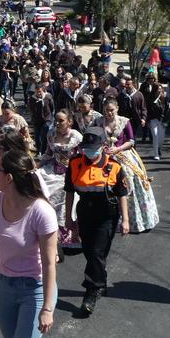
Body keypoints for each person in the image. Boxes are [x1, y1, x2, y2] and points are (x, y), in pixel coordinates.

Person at [0, 151, 58, 338]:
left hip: (33, 288)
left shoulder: (41, 212)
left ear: (9, 177)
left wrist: (47, 308)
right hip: (3, 285)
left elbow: (49, 264)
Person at [63, 127, 129, 316]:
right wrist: (68, 218)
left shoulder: (114, 166)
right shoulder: (75, 163)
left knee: (97, 252)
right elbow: (69, 192)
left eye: (93, 148)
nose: (89, 152)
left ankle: (92, 290)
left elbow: (122, 194)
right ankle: (101, 279)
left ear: (103, 146)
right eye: (86, 148)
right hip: (85, 212)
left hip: (106, 215)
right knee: (90, 251)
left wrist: (126, 220)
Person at [96, 99, 159, 233]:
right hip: (104, 156)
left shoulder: (124, 121)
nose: (109, 113)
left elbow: (131, 141)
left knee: (129, 179)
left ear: (117, 108)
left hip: (123, 155)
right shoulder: (99, 122)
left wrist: (117, 149)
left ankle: (133, 220)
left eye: (111, 110)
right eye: (106, 110)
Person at [37, 110, 83, 250]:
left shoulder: (76, 137)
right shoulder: (51, 134)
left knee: (65, 193)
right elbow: (48, 154)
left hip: (72, 171)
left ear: (69, 121)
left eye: (61, 120)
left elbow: (83, 157)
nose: (57, 123)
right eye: (56, 120)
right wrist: (36, 165)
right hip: (53, 169)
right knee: (38, 184)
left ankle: (66, 234)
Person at [140, 73, 167, 160]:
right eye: (149, 78)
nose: (159, 90)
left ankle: (158, 148)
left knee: (161, 137)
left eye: (160, 89)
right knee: (155, 135)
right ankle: (156, 153)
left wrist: (165, 119)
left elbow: (167, 109)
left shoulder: (164, 98)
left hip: (161, 119)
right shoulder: (151, 96)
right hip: (152, 118)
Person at [28, 82, 55, 155]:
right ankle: (38, 150)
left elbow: (52, 107)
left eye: (40, 91)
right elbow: (31, 109)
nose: (38, 93)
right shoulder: (32, 99)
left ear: (43, 90)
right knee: (37, 136)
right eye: (37, 92)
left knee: (44, 135)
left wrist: (51, 117)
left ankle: (43, 152)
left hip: (47, 119)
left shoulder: (48, 97)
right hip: (37, 120)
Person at [117, 76, 146, 142]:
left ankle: (133, 150)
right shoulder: (121, 95)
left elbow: (143, 107)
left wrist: (143, 118)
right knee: (125, 136)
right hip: (124, 119)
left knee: (132, 137)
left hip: (135, 119)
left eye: (128, 84)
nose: (126, 86)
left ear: (133, 85)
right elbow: (117, 107)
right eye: (126, 84)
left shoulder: (139, 95)